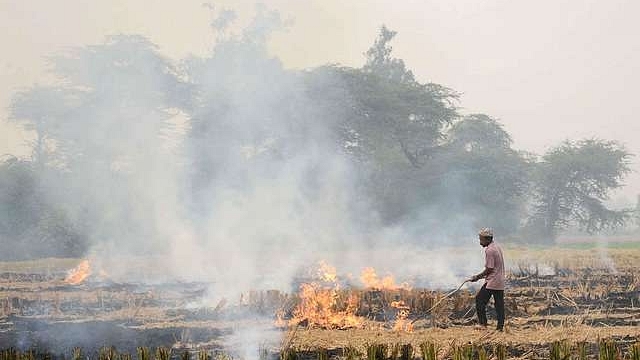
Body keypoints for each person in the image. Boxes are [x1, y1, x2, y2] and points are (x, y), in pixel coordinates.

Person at [468, 227, 505, 331]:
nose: (480, 242)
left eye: (481, 240)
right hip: (500, 280)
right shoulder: (497, 247)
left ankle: (483, 324)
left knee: (479, 300)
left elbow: (489, 268)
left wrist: (477, 277)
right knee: (499, 304)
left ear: (487, 239)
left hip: (493, 281)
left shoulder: (490, 250)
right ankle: (500, 328)